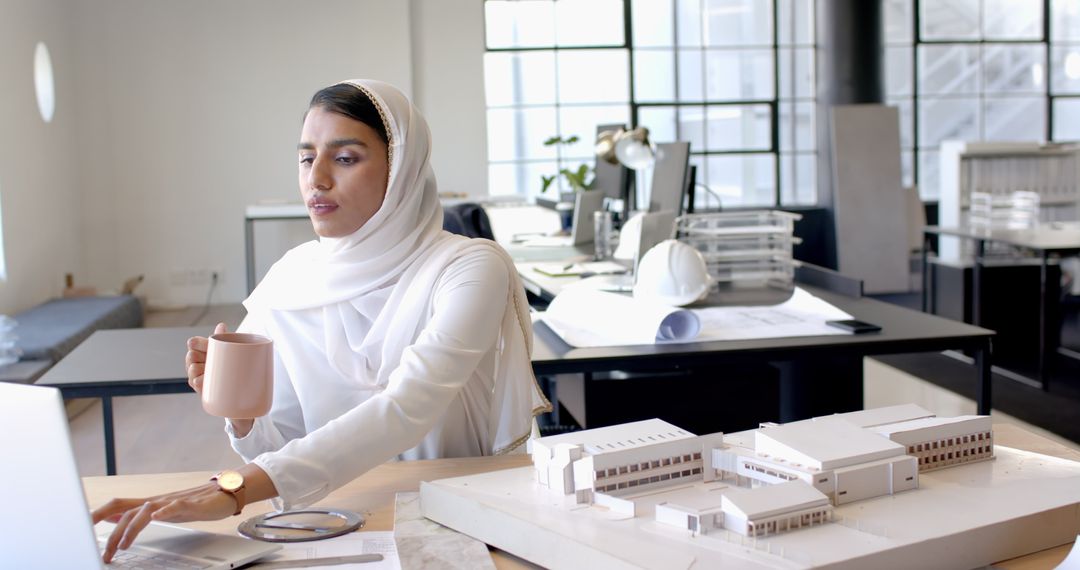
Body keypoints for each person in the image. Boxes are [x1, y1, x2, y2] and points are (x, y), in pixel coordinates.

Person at [92, 79, 550, 563]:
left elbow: (407, 406)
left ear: (401, 168)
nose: (317, 178)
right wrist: (244, 416)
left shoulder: (468, 266)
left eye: (345, 158)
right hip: (338, 519)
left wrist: (231, 490)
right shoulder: (291, 279)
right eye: (307, 158)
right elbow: (281, 446)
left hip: (455, 518)